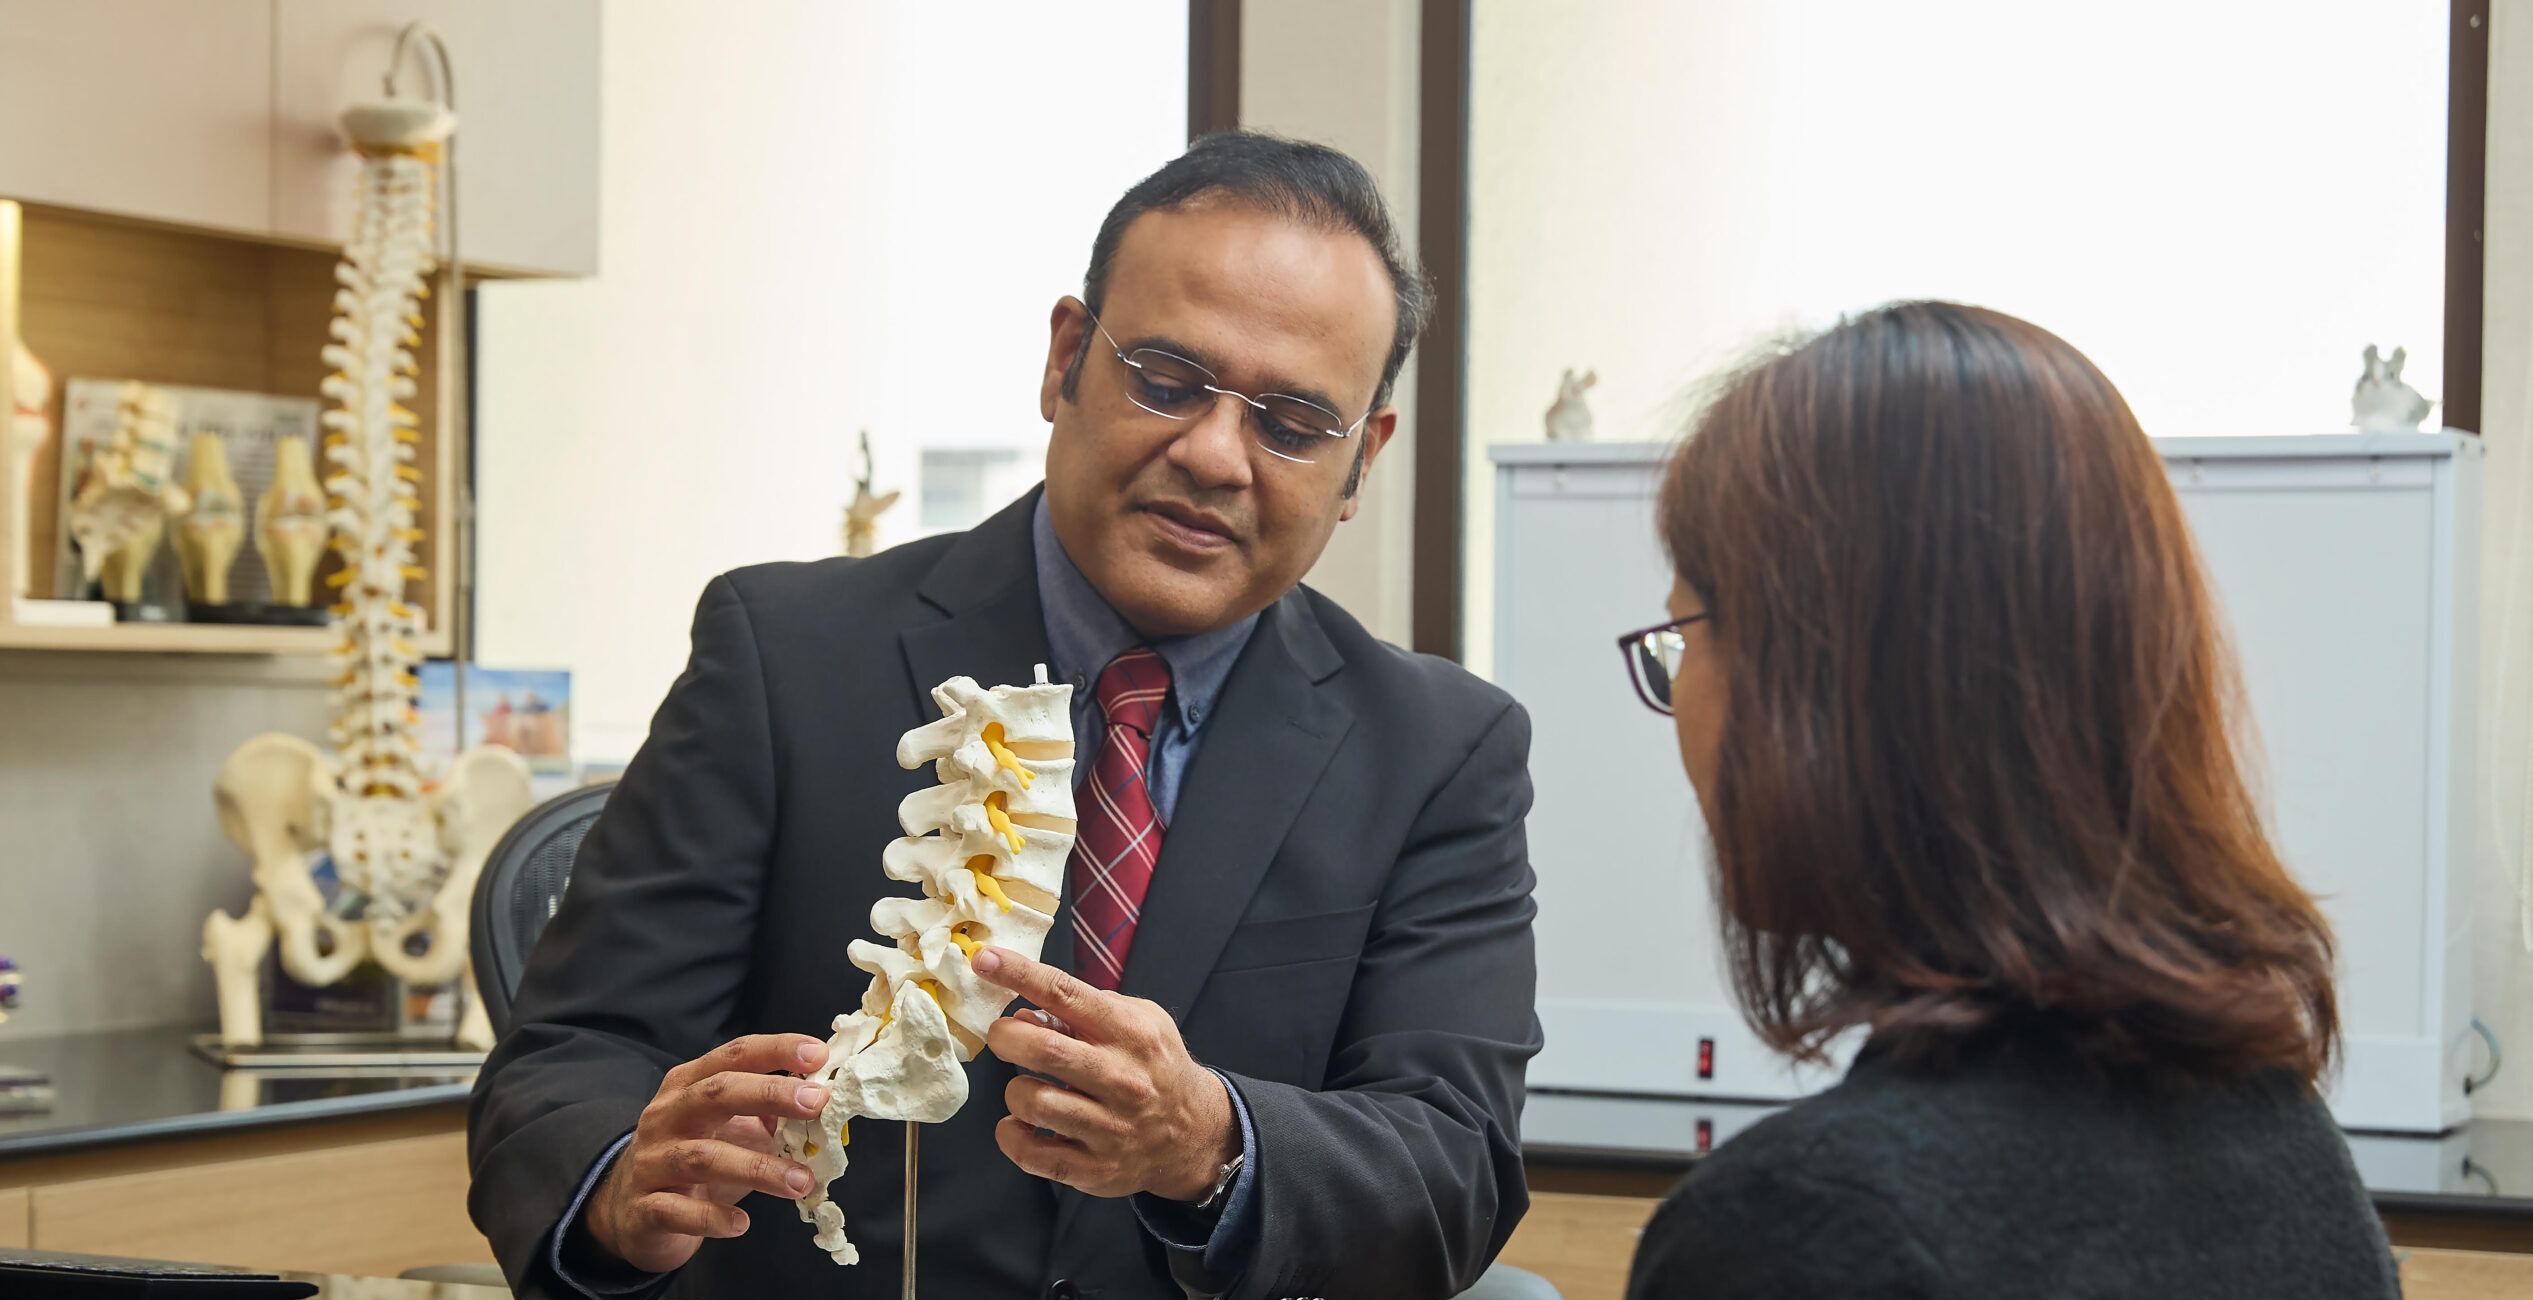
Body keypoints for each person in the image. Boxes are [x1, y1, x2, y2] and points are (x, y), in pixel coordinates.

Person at [466, 133, 1543, 1300]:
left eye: (1290, 424)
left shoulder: (1438, 752)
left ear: (1361, 459)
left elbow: (1452, 1166)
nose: (1213, 455)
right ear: (1067, 358)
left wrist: (1212, 1143)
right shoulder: (784, 656)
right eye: (1166, 380)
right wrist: (621, 1182)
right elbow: (572, 1056)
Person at [1621, 302, 2400, 1299]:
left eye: (1684, 636)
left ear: (1822, 682)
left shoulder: (1800, 1228)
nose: (1678, 694)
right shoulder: (2283, 1138)